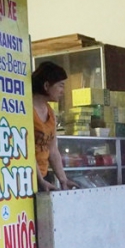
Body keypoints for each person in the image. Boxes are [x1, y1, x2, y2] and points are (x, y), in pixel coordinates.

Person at [32, 62, 78, 192]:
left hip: (44, 176)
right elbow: (26, 152)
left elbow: (53, 150)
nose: (62, 91)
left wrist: (63, 180)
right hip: (28, 178)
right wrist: (39, 180)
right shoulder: (26, 111)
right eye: (60, 86)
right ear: (46, 86)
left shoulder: (50, 112)